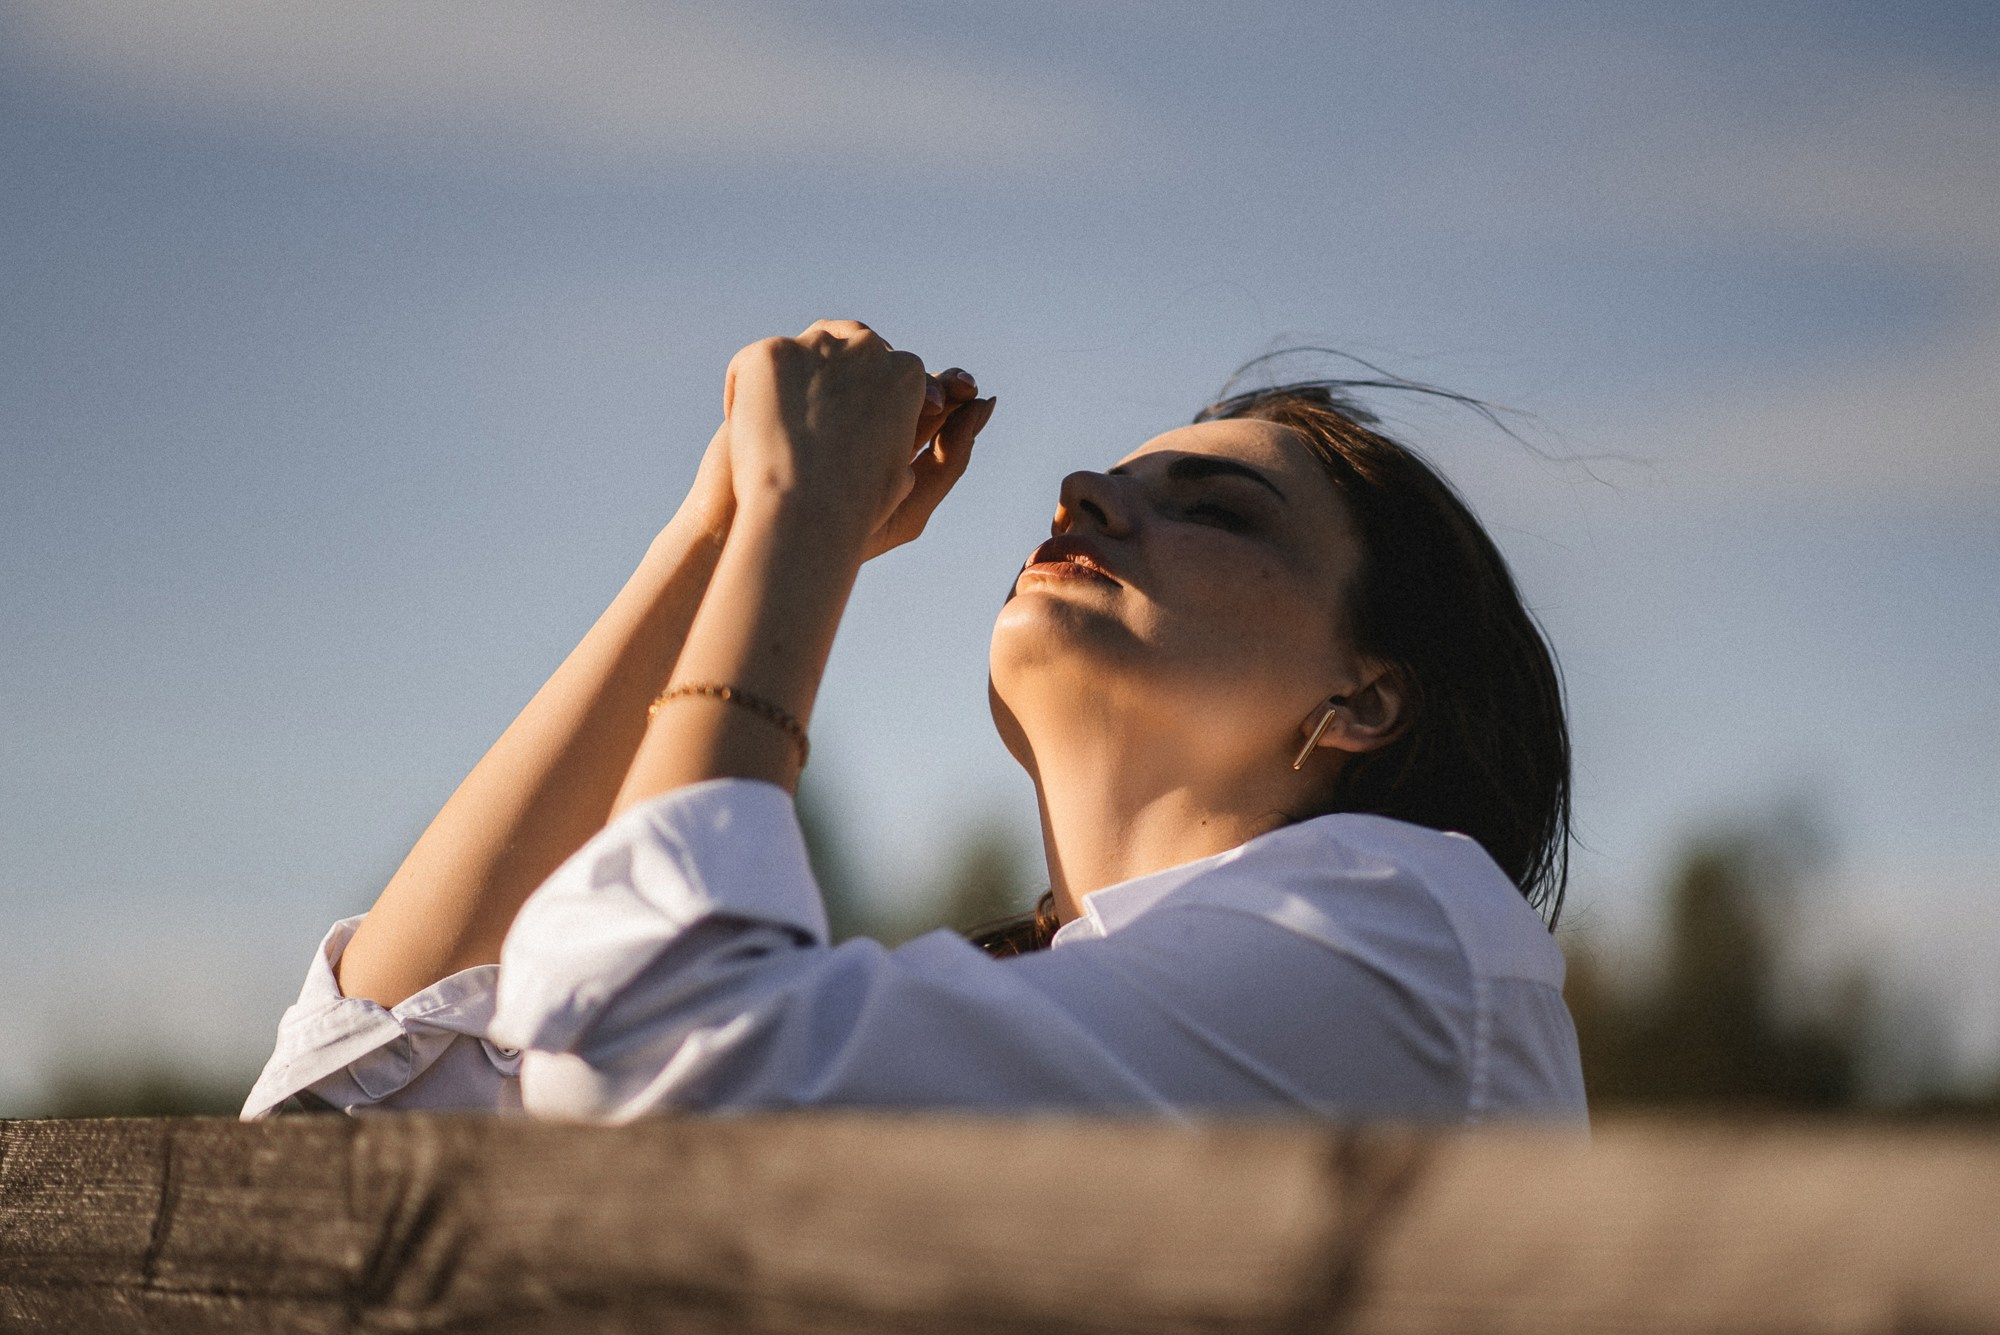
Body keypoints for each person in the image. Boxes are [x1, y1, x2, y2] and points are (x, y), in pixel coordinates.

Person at [242, 320, 1586, 1123]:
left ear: (1366, 696)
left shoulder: (1406, 931)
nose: (1083, 494)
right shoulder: (1044, 1020)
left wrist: (800, 522)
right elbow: (362, 1099)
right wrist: (708, 538)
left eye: (1217, 509)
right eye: (1109, 480)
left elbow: (659, 1050)